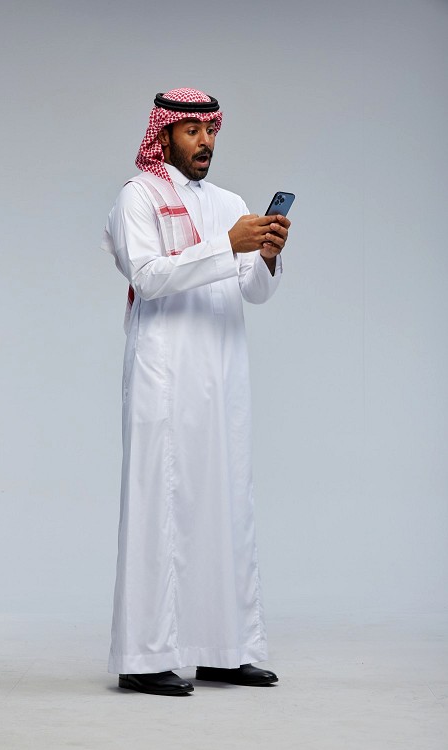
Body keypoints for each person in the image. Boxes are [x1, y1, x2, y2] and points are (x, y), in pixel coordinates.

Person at [101, 87, 291, 696]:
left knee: (226, 505)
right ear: (163, 135)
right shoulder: (138, 197)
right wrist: (227, 244)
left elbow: (253, 291)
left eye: (210, 130)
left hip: (223, 375)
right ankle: (143, 656)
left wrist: (265, 255)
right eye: (191, 131)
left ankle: (225, 649)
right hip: (163, 374)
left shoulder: (231, 204)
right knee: (158, 508)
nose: (205, 142)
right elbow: (149, 276)